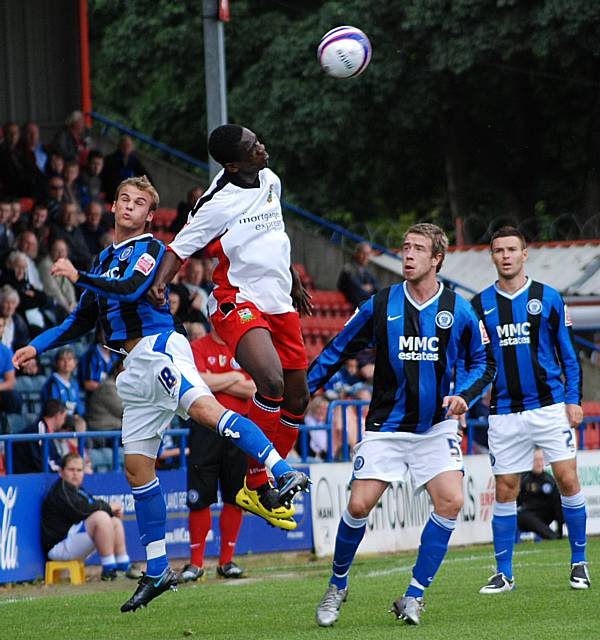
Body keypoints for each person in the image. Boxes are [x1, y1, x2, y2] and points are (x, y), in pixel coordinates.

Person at [12, 174, 309, 612]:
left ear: (150, 215)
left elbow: (132, 288)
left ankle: (279, 472)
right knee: (136, 469)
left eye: (139, 202)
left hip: (161, 350)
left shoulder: (150, 250)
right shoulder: (101, 260)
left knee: (210, 413)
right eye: (123, 199)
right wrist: (35, 346)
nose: (129, 206)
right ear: (112, 208)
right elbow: (78, 321)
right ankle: (157, 569)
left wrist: (78, 275)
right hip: (134, 369)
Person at [308, 223, 496, 627]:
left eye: (418, 249)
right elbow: (337, 349)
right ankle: (337, 585)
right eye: (405, 247)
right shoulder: (380, 304)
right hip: (386, 427)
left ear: (437, 259)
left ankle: (414, 595)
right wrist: (304, 389)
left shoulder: (459, 308)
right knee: (358, 505)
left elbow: (485, 362)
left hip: (436, 427)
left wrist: (465, 394)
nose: (408, 255)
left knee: (451, 501)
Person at [148, 125, 312, 530]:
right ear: (234, 163)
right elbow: (179, 247)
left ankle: (260, 484)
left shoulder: (271, 179)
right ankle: (257, 481)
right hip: (236, 299)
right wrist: (159, 284)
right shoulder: (217, 202)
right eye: (252, 146)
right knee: (271, 382)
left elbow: (275, 237)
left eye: (258, 138)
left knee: (298, 399)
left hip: (278, 300)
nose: (262, 145)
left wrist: (293, 281)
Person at [470, 226, 589, 593]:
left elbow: (568, 355)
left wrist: (574, 399)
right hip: (504, 410)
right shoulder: (478, 305)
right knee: (505, 488)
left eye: (511, 249)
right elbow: (475, 360)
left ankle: (579, 564)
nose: (505, 256)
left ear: (525, 254)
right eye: (498, 250)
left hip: (550, 406)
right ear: (492, 257)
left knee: (568, 479)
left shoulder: (548, 297)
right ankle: (504, 574)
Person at [179, 324, 256, 582]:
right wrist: (234, 377)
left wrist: (216, 380)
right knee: (200, 495)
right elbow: (198, 381)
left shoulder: (246, 348)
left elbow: (252, 389)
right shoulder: (197, 347)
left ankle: (226, 561)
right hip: (204, 427)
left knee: (235, 495)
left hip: (238, 426)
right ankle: (196, 563)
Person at [41, 453, 141, 580]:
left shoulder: (78, 490)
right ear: (61, 472)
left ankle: (123, 565)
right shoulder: (61, 490)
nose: (75, 474)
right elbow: (82, 511)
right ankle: (108, 570)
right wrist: (109, 508)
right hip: (58, 547)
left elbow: (92, 505)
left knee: (113, 520)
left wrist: (110, 512)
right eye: (71, 470)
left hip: (72, 541)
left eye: (79, 470)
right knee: (101, 517)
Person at [517, 448, 564, 540]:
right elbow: (516, 501)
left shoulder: (549, 480)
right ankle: (552, 536)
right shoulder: (523, 479)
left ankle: (559, 534)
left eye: (541, 460)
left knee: (564, 502)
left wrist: (560, 526)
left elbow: (557, 505)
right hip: (528, 515)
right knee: (521, 515)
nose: (539, 463)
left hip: (546, 514)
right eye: (536, 460)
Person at [12, 398, 67, 473]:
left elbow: (55, 458)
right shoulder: (39, 431)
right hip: (28, 476)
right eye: (64, 417)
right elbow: (42, 461)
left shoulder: (46, 431)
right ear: (58, 415)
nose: (63, 422)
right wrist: (63, 469)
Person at [101, 135, 151, 202]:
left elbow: (145, 175)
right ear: (119, 146)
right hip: (113, 194)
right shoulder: (110, 160)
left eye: (129, 145)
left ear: (132, 147)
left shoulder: (134, 161)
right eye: (124, 145)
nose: (126, 147)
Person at [337, 241, 380, 308]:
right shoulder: (348, 269)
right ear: (356, 254)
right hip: (352, 307)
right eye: (363, 253)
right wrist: (370, 290)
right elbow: (357, 289)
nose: (365, 257)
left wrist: (371, 287)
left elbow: (377, 287)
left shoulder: (366, 272)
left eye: (368, 254)